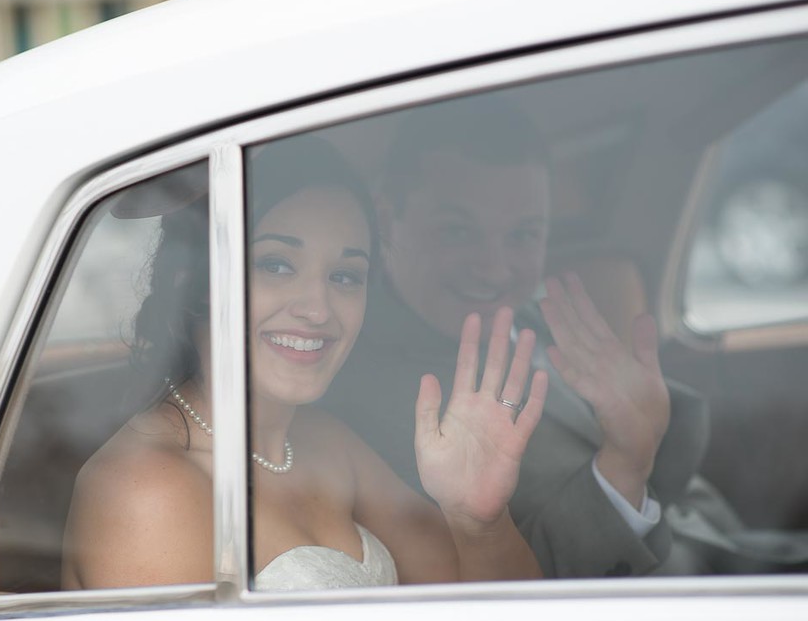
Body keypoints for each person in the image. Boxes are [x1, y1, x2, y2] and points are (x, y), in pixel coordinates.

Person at [322, 95, 808, 578]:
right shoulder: (360, 395)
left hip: (735, 546)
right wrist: (625, 461)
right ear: (386, 220)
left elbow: (670, 482)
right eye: (457, 231)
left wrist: (646, 421)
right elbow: (515, 582)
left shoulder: (537, 316)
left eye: (524, 235)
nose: (495, 269)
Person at [60, 137, 548, 592]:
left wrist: (478, 521)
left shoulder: (326, 443)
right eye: (275, 265)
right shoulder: (146, 490)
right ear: (198, 282)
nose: (318, 309)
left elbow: (487, 600)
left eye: (344, 275)